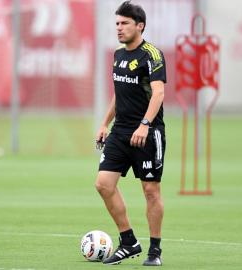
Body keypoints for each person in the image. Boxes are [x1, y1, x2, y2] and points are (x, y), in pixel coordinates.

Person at [94, 0, 167, 266]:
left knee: (150, 190)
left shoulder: (152, 55)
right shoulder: (118, 55)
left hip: (147, 133)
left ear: (140, 26)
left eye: (124, 23)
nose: (119, 28)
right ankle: (128, 242)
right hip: (120, 132)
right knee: (103, 184)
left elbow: (158, 93)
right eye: (117, 23)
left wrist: (145, 125)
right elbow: (118, 94)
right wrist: (104, 124)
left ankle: (154, 251)